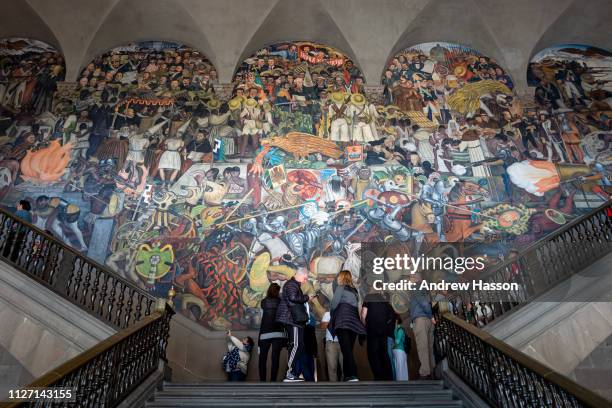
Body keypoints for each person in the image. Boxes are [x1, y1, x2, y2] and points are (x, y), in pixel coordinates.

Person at [276, 267, 315, 382]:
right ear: (301, 275)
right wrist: (307, 298)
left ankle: (291, 373)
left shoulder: (293, 284)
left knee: (298, 345)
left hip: (292, 320)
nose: (306, 280)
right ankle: (290, 373)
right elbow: (293, 298)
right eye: (306, 278)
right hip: (292, 319)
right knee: (296, 345)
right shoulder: (292, 284)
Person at [329, 270, 366, 382]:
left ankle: (353, 375)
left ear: (341, 277)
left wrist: (332, 316)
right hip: (354, 323)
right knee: (348, 349)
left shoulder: (340, 288)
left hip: (343, 322)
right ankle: (347, 376)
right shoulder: (355, 291)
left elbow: (334, 304)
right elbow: (357, 307)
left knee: (346, 351)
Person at [361, 289, 394, 380]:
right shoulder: (385, 301)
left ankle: (378, 378)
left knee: (373, 355)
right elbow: (391, 316)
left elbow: (363, 315)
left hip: (372, 331)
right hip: (383, 332)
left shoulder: (368, 297)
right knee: (384, 354)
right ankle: (388, 378)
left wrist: (365, 328)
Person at [258, 283, 286, 382]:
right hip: (278, 333)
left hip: (265, 333)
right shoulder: (281, 302)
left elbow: (262, 319)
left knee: (262, 358)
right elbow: (284, 318)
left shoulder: (263, 302)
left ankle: (262, 381)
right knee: (275, 359)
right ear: (278, 291)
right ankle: (273, 381)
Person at [410, 287, 436, 380]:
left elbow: (424, 303)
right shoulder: (425, 289)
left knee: (422, 347)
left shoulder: (416, 288)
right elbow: (428, 303)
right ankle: (432, 371)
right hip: (428, 320)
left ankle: (425, 372)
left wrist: (430, 316)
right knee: (429, 347)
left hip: (421, 320)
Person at [321, 310, 343, 381]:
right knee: (332, 367)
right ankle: (334, 387)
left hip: (343, 342)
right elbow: (322, 326)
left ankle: (345, 387)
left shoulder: (343, 313)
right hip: (331, 343)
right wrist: (333, 322)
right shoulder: (327, 313)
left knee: (345, 367)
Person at [393, 317, 410, 381]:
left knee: (400, 368)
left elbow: (397, 341)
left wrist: (391, 346)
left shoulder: (400, 329)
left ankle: (401, 384)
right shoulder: (395, 329)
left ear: (396, 320)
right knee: (398, 368)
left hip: (400, 351)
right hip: (397, 351)